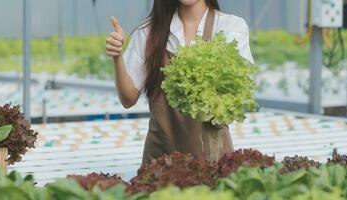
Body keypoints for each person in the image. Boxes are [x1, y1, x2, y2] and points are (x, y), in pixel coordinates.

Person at [105, 0, 254, 165]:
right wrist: (117, 57)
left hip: (214, 159)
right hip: (160, 161)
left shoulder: (230, 27)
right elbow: (128, 99)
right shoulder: (148, 31)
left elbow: (236, 94)